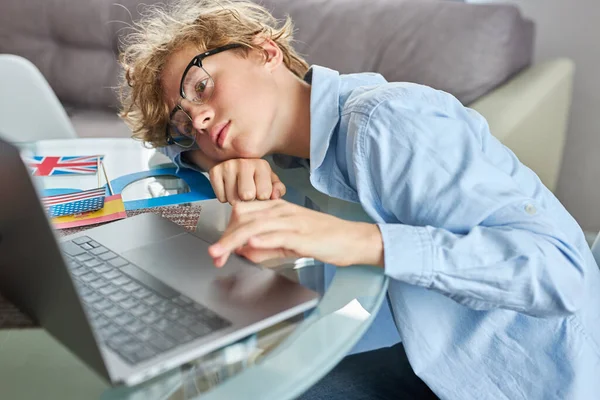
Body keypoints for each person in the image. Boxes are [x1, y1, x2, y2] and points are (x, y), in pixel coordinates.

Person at [117, 0, 600, 398]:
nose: (198, 120)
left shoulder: (387, 124)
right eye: (185, 122)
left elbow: (561, 273)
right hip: (423, 354)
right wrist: (218, 160)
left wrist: (364, 242)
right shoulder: (287, 148)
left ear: (265, 50)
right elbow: (163, 154)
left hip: (534, 375)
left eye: (201, 86)